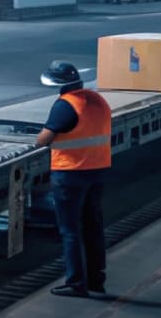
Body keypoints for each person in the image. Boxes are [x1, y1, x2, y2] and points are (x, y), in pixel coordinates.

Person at [35, 60, 113, 298]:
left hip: (70, 173)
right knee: (93, 226)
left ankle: (76, 283)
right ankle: (96, 279)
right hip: (97, 169)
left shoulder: (66, 105)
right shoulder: (97, 99)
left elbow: (43, 140)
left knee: (70, 230)